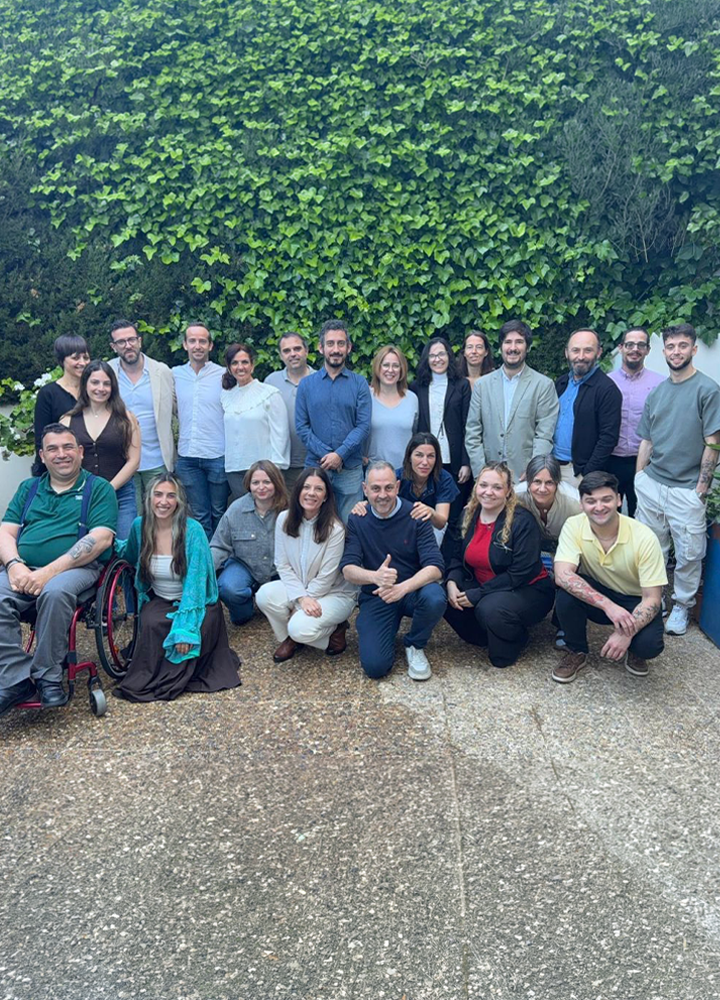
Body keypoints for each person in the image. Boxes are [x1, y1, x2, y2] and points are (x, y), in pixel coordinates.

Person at [0, 424, 117, 714]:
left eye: (67, 448)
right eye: (52, 449)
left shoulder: (97, 488)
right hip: (25, 568)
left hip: (76, 569)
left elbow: (101, 538)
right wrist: (14, 565)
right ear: (42, 455)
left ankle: (48, 677)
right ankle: (17, 677)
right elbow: (5, 532)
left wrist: (46, 573)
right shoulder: (29, 488)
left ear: (80, 452)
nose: (61, 454)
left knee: (54, 593)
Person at [114, 474, 241, 702]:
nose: (164, 501)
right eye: (158, 495)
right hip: (161, 598)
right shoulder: (139, 526)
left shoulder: (192, 531)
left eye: (171, 496)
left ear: (179, 501)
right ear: (149, 498)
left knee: (196, 631)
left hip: (197, 600)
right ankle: (159, 676)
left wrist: (185, 628)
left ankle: (179, 676)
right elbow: (128, 553)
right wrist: (104, 540)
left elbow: (195, 582)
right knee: (152, 623)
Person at [635, 324, 720, 636]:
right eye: (670, 346)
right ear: (664, 351)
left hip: (687, 489)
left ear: (694, 349)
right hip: (653, 483)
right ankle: (654, 601)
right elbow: (646, 440)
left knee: (688, 552)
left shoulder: (707, 390)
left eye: (683, 345)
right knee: (651, 548)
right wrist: (639, 478)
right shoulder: (658, 392)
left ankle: (681, 606)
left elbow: (713, 442)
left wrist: (701, 488)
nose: (676, 352)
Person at [552, 471, 667, 683]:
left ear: (619, 500)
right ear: (581, 504)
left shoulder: (644, 537)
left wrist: (626, 633)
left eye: (606, 499)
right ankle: (576, 650)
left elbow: (652, 598)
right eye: (591, 501)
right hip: (601, 594)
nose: (599, 507)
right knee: (566, 593)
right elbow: (562, 575)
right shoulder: (574, 525)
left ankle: (635, 650)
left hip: (635, 599)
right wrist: (608, 606)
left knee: (649, 646)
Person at [340, 461, 446, 681]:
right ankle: (380, 628)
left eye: (388, 487)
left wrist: (402, 588)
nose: (382, 495)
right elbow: (348, 569)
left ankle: (415, 644)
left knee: (435, 597)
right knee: (375, 667)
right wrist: (374, 577)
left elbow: (436, 567)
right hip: (377, 596)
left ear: (397, 487)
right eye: (375, 488)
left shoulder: (416, 515)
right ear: (365, 489)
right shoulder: (358, 519)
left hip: (411, 591)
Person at [444, 462, 554, 668]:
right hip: (486, 584)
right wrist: (451, 581)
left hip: (528, 588)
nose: (488, 492)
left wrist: (478, 594)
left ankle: (517, 636)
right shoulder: (469, 515)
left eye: (497, 487)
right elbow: (456, 557)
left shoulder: (522, 521)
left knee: (490, 611)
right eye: (483, 485)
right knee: (442, 594)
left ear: (508, 491)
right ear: (476, 487)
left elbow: (520, 573)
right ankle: (489, 634)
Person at [256, 467, 357, 662]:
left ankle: (329, 629)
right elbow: (282, 565)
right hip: (300, 588)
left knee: (299, 627)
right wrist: (301, 600)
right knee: (264, 596)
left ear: (326, 496)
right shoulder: (283, 519)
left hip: (334, 593)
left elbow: (327, 577)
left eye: (318, 489)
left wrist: (300, 603)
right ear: (298, 491)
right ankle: (300, 638)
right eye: (306, 487)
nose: (311, 493)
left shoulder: (335, 529)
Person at [295, 319, 371, 523]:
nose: (335, 349)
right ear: (321, 348)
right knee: (312, 523)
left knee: (351, 524)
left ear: (348, 347)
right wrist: (327, 455)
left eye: (340, 344)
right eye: (330, 344)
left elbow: (363, 425)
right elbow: (302, 428)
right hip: (316, 467)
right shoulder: (306, 385)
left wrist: (340, 454)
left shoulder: (360, 383)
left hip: (350, 469)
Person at [465, 319, 559, 483]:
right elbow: (473, 432)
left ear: (527, 347)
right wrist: (481, 472)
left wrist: (533, 470)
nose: (513, 348)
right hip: (488, 477)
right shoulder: (482, 385)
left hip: (524, 478)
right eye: (508, 342)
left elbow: (544, 435)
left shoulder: (543, 385)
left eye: (519, 342)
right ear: (501, 346)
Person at [61, 360, 141, 540]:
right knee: (84, 547)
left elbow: (134, 461)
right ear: (85, 385)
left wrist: (107, 489)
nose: (101, 388)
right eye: (95, 382)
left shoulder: (127, 419)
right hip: (81, 497)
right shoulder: (67, 421)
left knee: (124, 547)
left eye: (106, 383)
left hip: (121, 496)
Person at [107, 318, 176, 511]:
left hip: (157, 459)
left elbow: (178, 409)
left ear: (140, 341)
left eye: (131, 339)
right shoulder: (107, 373)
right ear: (114, 346)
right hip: (122, 461)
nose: (128, 345)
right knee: (132, 517)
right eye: (121, 342)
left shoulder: (162, 371)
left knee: (161, 513)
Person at [211, 460, 289, 626]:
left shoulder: (289, 509)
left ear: (276, 483)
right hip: (244, 566)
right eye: (256, 482)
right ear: (249, 484)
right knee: (229, 588)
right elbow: (219, 546)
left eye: (267, 482)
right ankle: (244, 608)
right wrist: (202, 573)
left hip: (279, 569)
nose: (261, 487)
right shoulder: (235, 510)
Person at [410, 337, 472, 543]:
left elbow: (467, 425)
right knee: (427, 511)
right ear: (427, 359)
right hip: (426, 460)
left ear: (449, 357)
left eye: (442, 354)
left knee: (453, 515)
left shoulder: (461, 385)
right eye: (433, 355)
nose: (437, 359)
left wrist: (466, 462)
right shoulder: (417, 387)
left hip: (453, 461)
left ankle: (449, 561)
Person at [351, 432, 459, 548]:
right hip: (400, 528)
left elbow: (441, 523)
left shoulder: (444, 479)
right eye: (419, 455)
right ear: (409, 457)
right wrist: (363, 505)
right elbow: (378, 498)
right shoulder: (396, 477)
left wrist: (431, 512)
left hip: (432, 529)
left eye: (430, 456)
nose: (425, 462)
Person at [173, 323, 228, 538]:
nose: (197, 346)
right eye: (192, 341)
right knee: (200, 515)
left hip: (217, 455)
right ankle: (206, 562)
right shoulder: (174, 374)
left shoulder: (224, 375)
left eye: (202, 341)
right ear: (185, 345)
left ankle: (221, 560)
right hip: (187, 457)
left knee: (219, 512)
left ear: (210, 345)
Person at [220, 342, 290, 502]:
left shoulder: (269, 394)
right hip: (234, 470)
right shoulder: (226, 395)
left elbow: (281, 434)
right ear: (229, 368)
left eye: (244, 362)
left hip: (262, 471)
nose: (240, 367)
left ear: (252, 365)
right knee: (244, 515)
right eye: (235, 363)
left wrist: (275, 469)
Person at [606, 327, 664, 516]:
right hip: (610, 461)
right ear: (621, 347)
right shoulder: (606, 383)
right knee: (608, 514)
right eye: (629, 344)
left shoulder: (660, 384)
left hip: (645, 463)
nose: (635, 349)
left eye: (641, 345)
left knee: (642, 515)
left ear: (647, 350)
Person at [553, 328, 622, 487]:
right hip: (552, 468)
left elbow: (608, 438)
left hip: (578, 473)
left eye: (588, 350)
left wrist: (587, 474)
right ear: (566, 353)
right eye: (575, 350)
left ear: (599, 353)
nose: (581, 357)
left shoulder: (607, 390)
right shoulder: (561, 383)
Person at [264, 332, 315, 493]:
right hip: (282, 465)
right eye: (287, 351)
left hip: (314, 461)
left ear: (306, 351)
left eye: (297, 348)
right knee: (285, 513)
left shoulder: (321, 379)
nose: (292, 354)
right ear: (280, 355)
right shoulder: (271, 382)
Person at [32, 334, 90, 476]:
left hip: (92, 467)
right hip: (60, 470)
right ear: (62, 360)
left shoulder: (95, 391)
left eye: (86, 357)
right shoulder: (48, 394)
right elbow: (41, 438)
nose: (82, 363)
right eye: (75, 358)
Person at [515, 455, 581, 564]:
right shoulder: (517, 497)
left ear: (557, 483)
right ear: (528, 482)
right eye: (537, 482)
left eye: (549, 483)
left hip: (568, 551)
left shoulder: (575, 502)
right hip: (529, 550)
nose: (542, 489)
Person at [365, 345, 418, 471]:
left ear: (402, 369)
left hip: (405, 472)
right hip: (374, 472)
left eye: (395, 366)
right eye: (386, 365)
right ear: (378, 367)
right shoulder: (366, 397)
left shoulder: (412, 399)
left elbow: (416, 435)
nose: (390, 370)